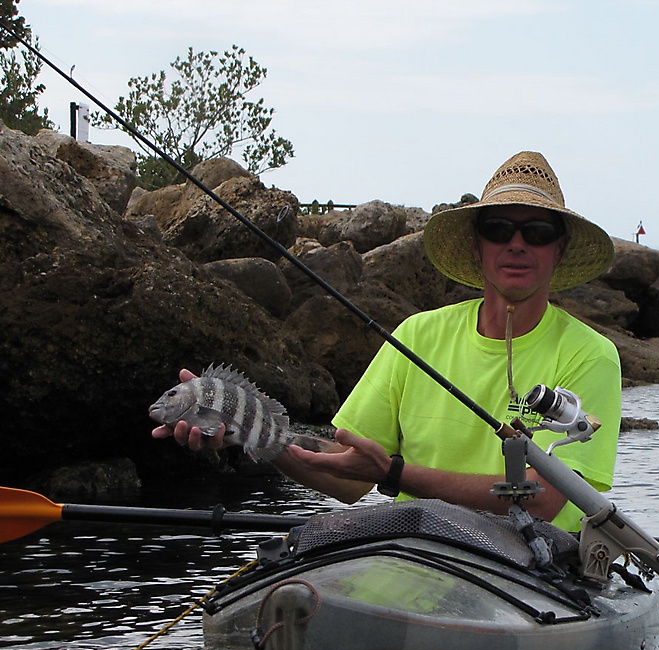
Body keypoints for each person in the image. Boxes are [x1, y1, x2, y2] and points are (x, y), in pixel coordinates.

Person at [155, 152, 620, 533]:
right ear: (477, 244)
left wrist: (394, 474)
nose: (516, 244)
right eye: (498, 229)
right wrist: (253, 435)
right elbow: (346, 477)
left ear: (558, 249)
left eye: (537, 233)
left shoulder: (591, 355)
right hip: (413, 558)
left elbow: (542, 499)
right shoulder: (417, 335)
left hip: (530, 573)